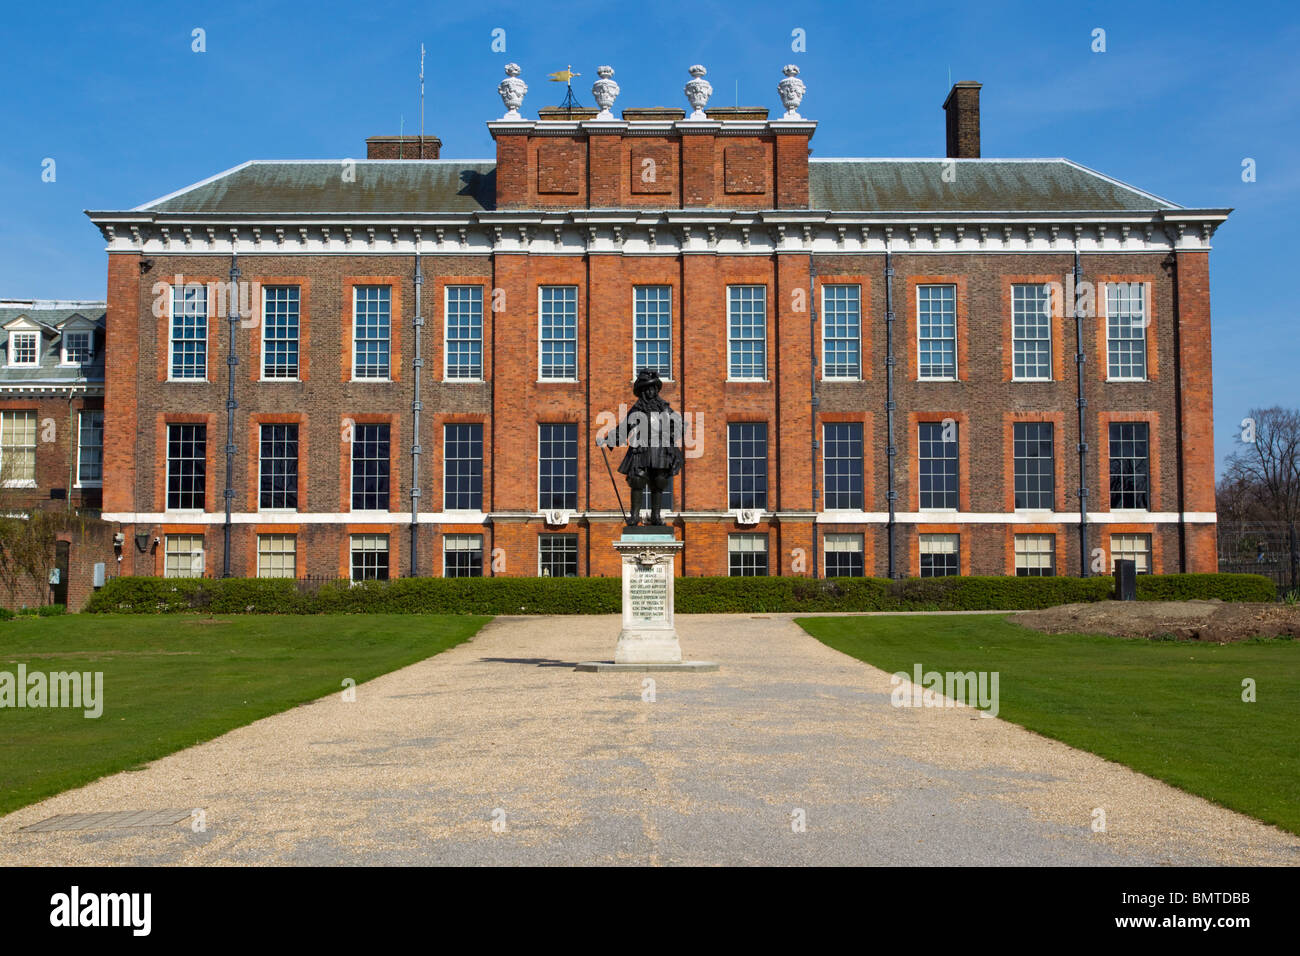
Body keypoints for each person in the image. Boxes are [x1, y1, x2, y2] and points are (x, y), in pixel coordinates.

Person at [597, 368, 684, 526]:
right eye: (648, 389)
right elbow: (624, 428)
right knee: (637, 480)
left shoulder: (664, 407)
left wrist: (675, 429)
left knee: (659, 480)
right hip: (641, 449)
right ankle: (635, 515)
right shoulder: (637, 409)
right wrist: (608, 439)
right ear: (643, 391)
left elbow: (678, 424)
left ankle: (656, 516)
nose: (651, 392)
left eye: (653, 388)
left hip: (660, 449)